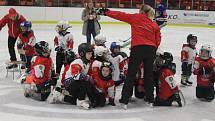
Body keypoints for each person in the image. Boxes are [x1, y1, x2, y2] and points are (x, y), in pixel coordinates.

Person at [97, 4, 161, 109]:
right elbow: (158, 39)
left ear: (141, 11)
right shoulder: (154, 24)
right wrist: (153, 48)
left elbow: (120, 15)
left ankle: (125, 100)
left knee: (131, 74)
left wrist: (106, 12)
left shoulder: (136, 17)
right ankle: (150, 100)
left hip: (138, 48)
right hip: (151, 50)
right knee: (148, 75)